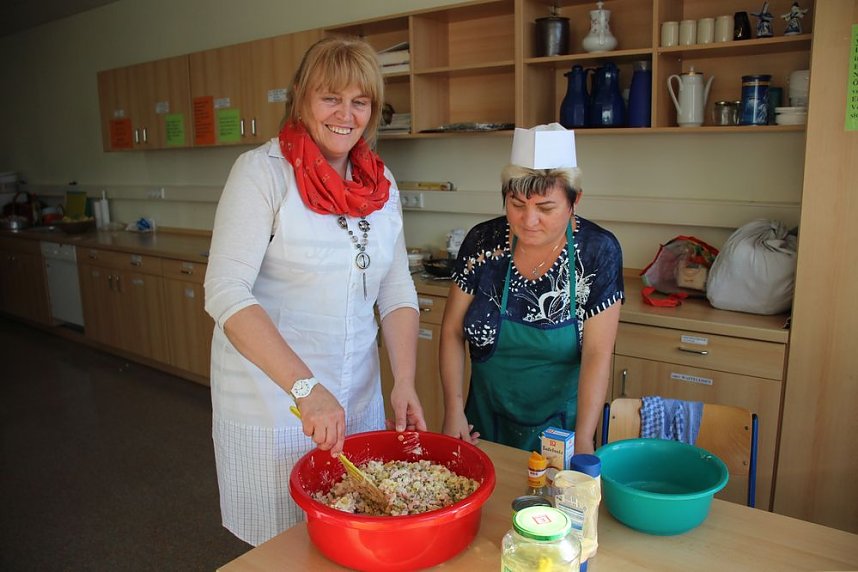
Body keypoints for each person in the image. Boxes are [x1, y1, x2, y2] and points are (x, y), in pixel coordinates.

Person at [204, 36, 426, 546]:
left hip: (356, 396)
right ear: (301, 98)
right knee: (282, 543)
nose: (346, 115)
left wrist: (404, 380)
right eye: (331, 98)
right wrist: (305, 389)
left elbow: (395, 288)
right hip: (273, 397)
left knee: (353, 531)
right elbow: (225, 291)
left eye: (360, 101)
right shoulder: (262, 173)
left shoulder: (380, 182)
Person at [439, 124, 623, 454]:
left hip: (562, 433)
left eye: (546, 208)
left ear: (575, 201)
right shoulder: (483, 243)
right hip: (482, 426)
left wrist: (584, 437)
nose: (529, 220)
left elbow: (597, 353)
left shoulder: (597, 252)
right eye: (517, 204)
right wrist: (453, 410)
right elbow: (452, 330)